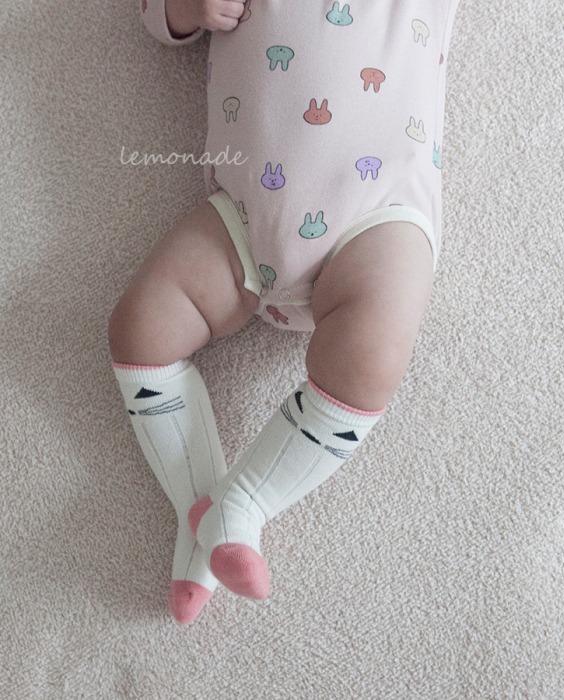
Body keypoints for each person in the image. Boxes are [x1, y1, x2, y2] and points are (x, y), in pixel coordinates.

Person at [110, 0, 461, 623]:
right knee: (140, 326)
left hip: (378, 215)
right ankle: (209, 520)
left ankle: (246, 500)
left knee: (372, 354)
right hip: (244, 214)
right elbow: (157, 18)